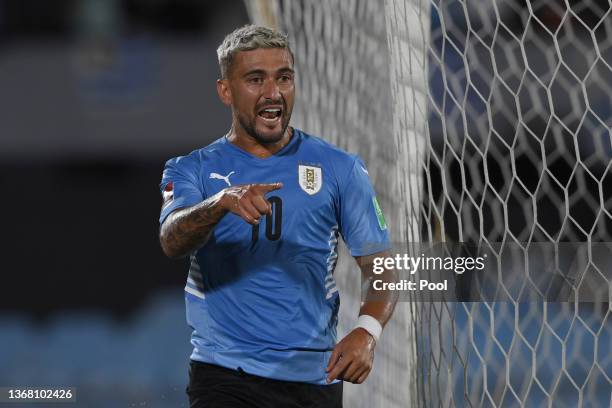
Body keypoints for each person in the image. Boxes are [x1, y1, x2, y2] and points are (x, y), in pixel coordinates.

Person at [158, 24, 397, 408]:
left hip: (314, 377)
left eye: (283, 78)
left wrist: (367, 332)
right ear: (225, 90)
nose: (273, 93)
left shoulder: (340, 169)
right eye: (255, 79)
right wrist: (219, 202)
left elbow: (383, 268)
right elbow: (172, 238)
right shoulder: (193, 170)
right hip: (224, 374)